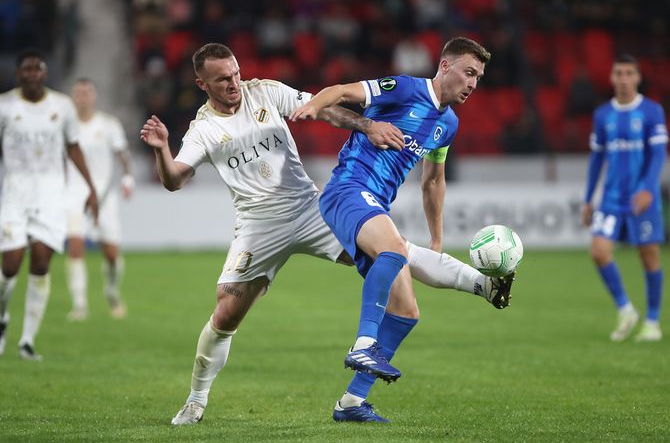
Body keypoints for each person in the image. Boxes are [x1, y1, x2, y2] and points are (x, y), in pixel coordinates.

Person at [140, 42, 512, 426]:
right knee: (226, 314)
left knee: (396, 253)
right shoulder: (203, 129)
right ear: (203, 84)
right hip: (258, 224)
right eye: (223, 79)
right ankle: (196, 401)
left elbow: (327, 107)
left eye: (236, 72)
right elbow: (174, 179)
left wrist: (365, 123)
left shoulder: (264, 91)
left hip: (308, 208)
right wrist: (161, 150)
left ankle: (471, 291)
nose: (235, 82)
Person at [290, 37, 512, 421]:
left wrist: (438, 238)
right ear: (445, 66)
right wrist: (314, 104)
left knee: (407, 311)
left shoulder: (448, 124)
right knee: (393, 251)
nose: (473, 83)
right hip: (348, 190)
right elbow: (342, 90)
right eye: (468, 72)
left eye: (479, 77)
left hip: (376, 204)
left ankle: (352, 403)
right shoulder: (407, 88)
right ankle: (364, 342)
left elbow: (433, 182)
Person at [0, 49, 98, 361]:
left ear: (45, 73)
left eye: (37, 69)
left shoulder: (62, 106)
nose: (32, 74)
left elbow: (73, 147)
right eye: (26, 69)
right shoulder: (5, 106)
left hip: (50, 195)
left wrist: (91, 188)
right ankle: (3, 319)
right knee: (11, 263)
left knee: (41, 262)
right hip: (14, 194)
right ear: (18, 75)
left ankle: (27, 340)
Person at [581, 54, 667, 342]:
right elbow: (597, 160)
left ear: (638, 77)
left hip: (643, 198)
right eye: (619, 73)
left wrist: (646, 188)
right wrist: (588, 199)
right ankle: (626, 309)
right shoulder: (603, 114)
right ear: (612, 78)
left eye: (629, 73)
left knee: (649, 256)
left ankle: (653, 321)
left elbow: (657, 155)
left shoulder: (652, 111)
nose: (624, 79)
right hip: (611, 199)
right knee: (598, 251)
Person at [64, 78, 134, 321]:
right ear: (74, 97)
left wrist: (127, 178)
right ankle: (79, 304)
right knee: (75, 247)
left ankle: (112, 293)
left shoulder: (108, 124)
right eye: (79, 93)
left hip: (104, 197)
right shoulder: (66, 125)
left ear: (93, 96)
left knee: (112, 254)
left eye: (87, 93)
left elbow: (122, 155)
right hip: (74, 195)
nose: (83, 97)